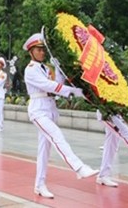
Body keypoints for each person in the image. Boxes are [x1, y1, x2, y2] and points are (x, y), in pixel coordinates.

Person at [23, 33, 98, 198]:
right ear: (31, 52)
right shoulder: (30, 70)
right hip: (38, 110)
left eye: (43, 49)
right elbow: (49, 86)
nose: (42, 52)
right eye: (39, 49)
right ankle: (78, 167)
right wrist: (72, 92)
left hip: (50, 108)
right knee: (57, 136)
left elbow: (57, 83)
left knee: (44, 151)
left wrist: (59, 69)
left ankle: (39, 185)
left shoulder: (45, 68)